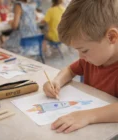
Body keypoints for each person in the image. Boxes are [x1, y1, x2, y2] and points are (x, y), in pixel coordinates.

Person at [43, 0, 118, 134]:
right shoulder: (90, 59)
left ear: (111, 37)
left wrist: (89, 116)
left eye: (84, 50)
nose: (80, 56)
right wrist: (57, 81)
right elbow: (70, 70)